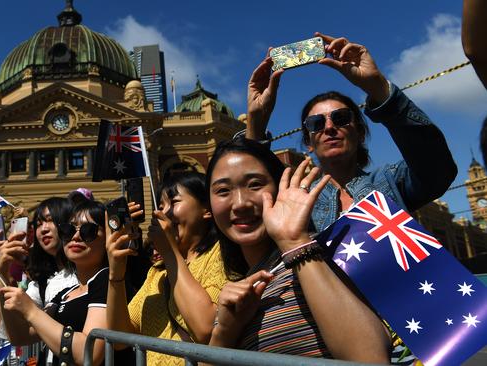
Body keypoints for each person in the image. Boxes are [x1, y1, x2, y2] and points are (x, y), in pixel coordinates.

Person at [247, 33, 457, 232]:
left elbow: (437, 170)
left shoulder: (391, 180)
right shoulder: (293, 198)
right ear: (308, 142)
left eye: (341, 118)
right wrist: (256, 122)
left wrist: (378, 88)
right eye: (316, 123)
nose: (329, 127)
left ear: (360, 133)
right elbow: (249, 201)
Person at [206, 137, 390, 363]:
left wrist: (294, 243)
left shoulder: (327, 251)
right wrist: (225, 330)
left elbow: (371, 358)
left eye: (254, 184)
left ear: (280, 188)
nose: (241, 202)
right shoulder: (234, 294)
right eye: (223, 190)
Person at [106, 173, 227, 365]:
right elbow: (119, 339)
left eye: (174, 202)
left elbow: (205, 329)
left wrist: (169, 252)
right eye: (161, 207)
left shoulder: (221, 253)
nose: (163, 214)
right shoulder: (157, 273)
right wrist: (116, 273)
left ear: (207, 209)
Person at [0, 200, 121, 366]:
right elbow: (20, 336)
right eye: (68, 229)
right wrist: (1, 275)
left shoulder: (109, 280)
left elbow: (89, 353)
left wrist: (31, 311)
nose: (75, 236)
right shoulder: (66, 293)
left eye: (88, 230)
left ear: (109, 238)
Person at [0, 197, 78, 348]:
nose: (44, 229)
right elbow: (16, 333)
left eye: (50, 220)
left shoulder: (87, 271)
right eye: (38, 224)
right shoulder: (42, 283)